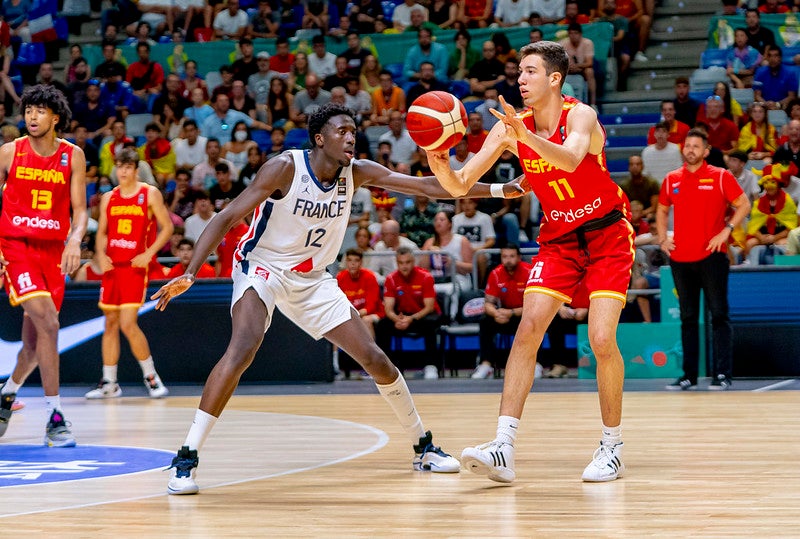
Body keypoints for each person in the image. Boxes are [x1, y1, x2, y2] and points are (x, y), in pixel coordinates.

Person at [152, 103, 523, 495]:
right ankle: (187, 456)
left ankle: (423, 446)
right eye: (342, 131)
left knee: (375, 359)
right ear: (319, 139)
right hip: (264, 267)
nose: (351, 137)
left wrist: (502, 189)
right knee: (243, 347)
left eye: (354, 130)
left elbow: (429, 187)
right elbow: (224, 217)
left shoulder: (357, 171)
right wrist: (191, 271)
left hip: (313, 278)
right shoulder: (284, 168)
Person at [427, 41, 636, 484]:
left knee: (600, 339)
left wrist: (525, 139)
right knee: (527, 330)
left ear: (554, 78)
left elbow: (572, 157)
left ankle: (612, 446)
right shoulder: (510, 128)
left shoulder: (580, 116)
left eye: (529, 72)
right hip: (559, 240)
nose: (520, 80)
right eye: (518, 72)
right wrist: (438, 158)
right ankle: (502, 445)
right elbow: (461, 184)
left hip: (607, 236)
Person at [0, 85, 88, 447]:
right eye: (28, 111)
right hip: (16, 248)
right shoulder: (9, 152)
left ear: (55, 118)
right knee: (50, 322)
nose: (32, 117)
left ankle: (6, 395)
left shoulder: (73, 156)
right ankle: (55, 417)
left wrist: (73, 240)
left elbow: (81, 210)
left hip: (53, 253)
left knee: (34, 345)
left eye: (39, 111)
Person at [656, 128, 750, 391]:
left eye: (696, 146)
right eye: (688, 146)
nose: (691, 150)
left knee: (719, 315)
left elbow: (744, 204)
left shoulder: (720, 176)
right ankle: (689, 376)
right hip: (680, 258)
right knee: (687, 318)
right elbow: (662, 210)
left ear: (706, 151)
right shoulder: (671, 178)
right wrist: (663, 239)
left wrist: (727, 230)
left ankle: (722, 375)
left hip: (712, 257)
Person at [86, 147, 172, 400]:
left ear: (135, 169)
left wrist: (149, 253)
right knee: (110, 323)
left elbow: (167, 228)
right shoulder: (108, 198)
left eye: (127, 167)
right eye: (119, 167)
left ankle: (152, 378)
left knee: (127, 323)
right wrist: (100, 255)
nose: (122, 171)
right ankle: (109, 384)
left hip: (134, 267)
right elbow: (101, 232)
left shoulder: (149, 194)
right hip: (112, 267)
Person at [377, 246, 444, 380]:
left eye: (407, 262)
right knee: (382, 324)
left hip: (423, 316)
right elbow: (388, 309)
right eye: (401, 263)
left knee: (430, 324)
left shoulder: (425, 277)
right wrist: (397, 319)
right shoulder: (391, 279)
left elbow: (429, 307)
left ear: (413, 262)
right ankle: (386, 366)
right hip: (402, 316)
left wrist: (411, 319)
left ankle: (431, 366)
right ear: (397, 263)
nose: (404, 266)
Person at [474, 243, 531, 379]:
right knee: (485, 321)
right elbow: (488, 303)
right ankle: (486, 365)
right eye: (504, 256)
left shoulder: (529, 272)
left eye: (511, 256)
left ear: (519, 257)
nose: (508, 260)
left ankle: (535, 365)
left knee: (533, 321)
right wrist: (496, 313)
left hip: (524, 314)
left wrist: (512, 313)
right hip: (504, 315)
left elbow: (534, 306)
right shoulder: (496, 273)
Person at [337, 247, 384, 339]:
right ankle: (335, 353)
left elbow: (371, 306)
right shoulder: (340, 277)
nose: (353, 264)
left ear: (361, 262)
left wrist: (355, 315)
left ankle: (372, 352)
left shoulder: (370, 277)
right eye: (349, 260)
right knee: (336, 322)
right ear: (346, 262)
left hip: (374, 313)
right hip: (352, 314)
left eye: (356, 260)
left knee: (366, 320)